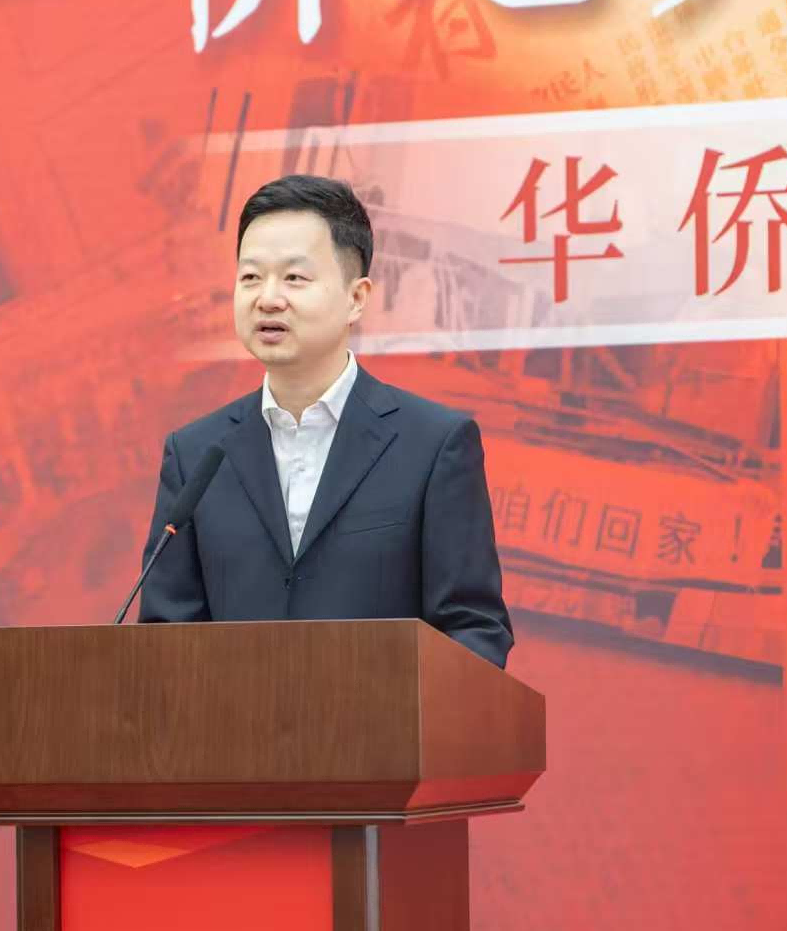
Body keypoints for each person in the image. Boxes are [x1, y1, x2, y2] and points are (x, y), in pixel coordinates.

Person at [137, 175, 514, 667]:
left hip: (382, 716)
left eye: (294, 278)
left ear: (356, 298)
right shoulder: (195, 455)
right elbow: (164, 639)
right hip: (232, 719)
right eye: (250, 278)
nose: (268, 298)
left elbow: (473, 630)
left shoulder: (433, 445)